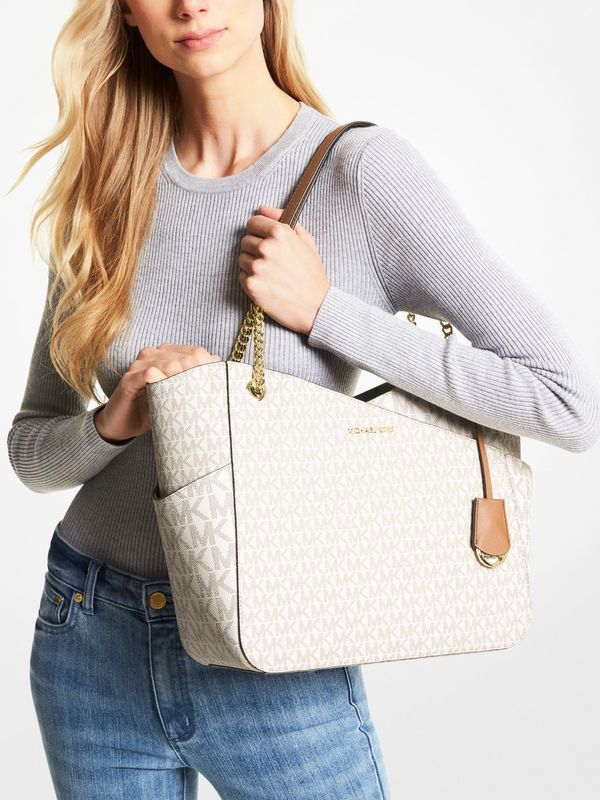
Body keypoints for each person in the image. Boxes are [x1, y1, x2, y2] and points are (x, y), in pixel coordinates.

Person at [6, 1, 600, 799]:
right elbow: (32, 451)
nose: (191, 5)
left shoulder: (362, 174)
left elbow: (565, 401)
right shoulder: (106, 185)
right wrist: (117, 420)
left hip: (277, 654)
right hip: (89, 631)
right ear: (128, 15)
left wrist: (326, 311)